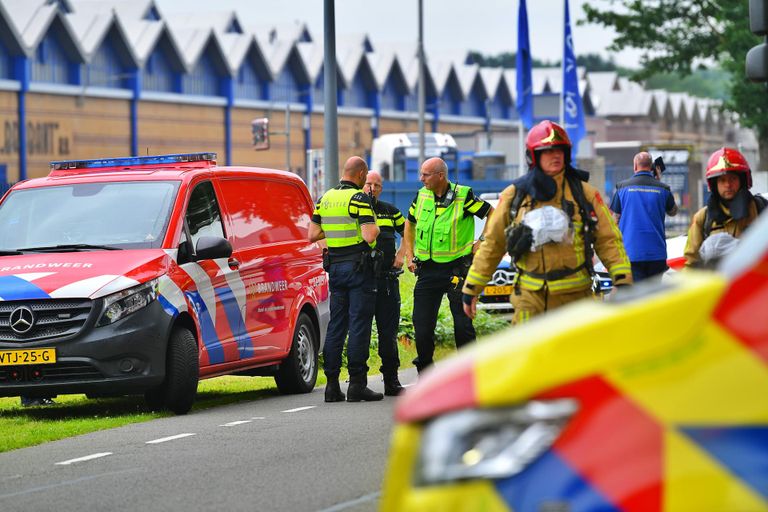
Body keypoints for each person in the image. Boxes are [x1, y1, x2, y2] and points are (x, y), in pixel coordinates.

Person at [462, 120, 632, 324]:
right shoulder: (514, 195)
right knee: (531, 355)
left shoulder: (584, 194)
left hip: (576, 299)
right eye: (548, 151)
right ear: (534, 156)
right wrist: (472, 288)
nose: (556, 155)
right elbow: (493, 245)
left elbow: (608, 239)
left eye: (560, 150)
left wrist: (622, 280)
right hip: (530, 301)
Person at [402, 157, 493, 373]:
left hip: (457, 270)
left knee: (462, 326)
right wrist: (409, 254)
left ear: (440, 176)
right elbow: (410, 223)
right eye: (421, 173)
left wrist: (482, 241)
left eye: (425, 174)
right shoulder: (422, 195)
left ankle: (469, 373)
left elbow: (493, 214)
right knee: (422, 326)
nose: (421, 178)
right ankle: (425, 371)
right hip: (428, 271)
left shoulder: (464, 196)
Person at [309, 156, 383, 403]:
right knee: (359, 324)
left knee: (336, 325)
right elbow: (370, 234)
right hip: (359, 269)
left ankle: (331, 385)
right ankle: (357, 385)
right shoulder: (359, 198)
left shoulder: (324, 198)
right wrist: (376, 229)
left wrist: (334, 235)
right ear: (361, 174)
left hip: (336, 269)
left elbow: (313, 234)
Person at [684, 147, 767, 268]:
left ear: (742, 181)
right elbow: (691, 263)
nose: (728, 185)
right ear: (714, 184)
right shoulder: (702, 218)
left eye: (733, 178)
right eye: (722, 180)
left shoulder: (762, 209)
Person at [364, 171, 406, 396]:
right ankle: (357, 382)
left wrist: (402, 253)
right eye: (368, 184)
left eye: (376, 185)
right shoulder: (354, 209)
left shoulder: (390, 211)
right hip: (362, 281)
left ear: (381, 188)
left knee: (388, 333)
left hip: (387, 281)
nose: (372, 188)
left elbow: (408, 231)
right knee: (359, 332)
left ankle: (392, 380)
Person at [609, 151, 678, 282]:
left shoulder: (622, 188)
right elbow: (673, 211)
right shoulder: (663, 189)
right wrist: (659, 182)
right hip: (657, 254)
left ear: (635, 166)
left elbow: (614, 221)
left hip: (631, 253)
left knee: (636, 297)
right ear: (652, 167)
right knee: (654, 295)